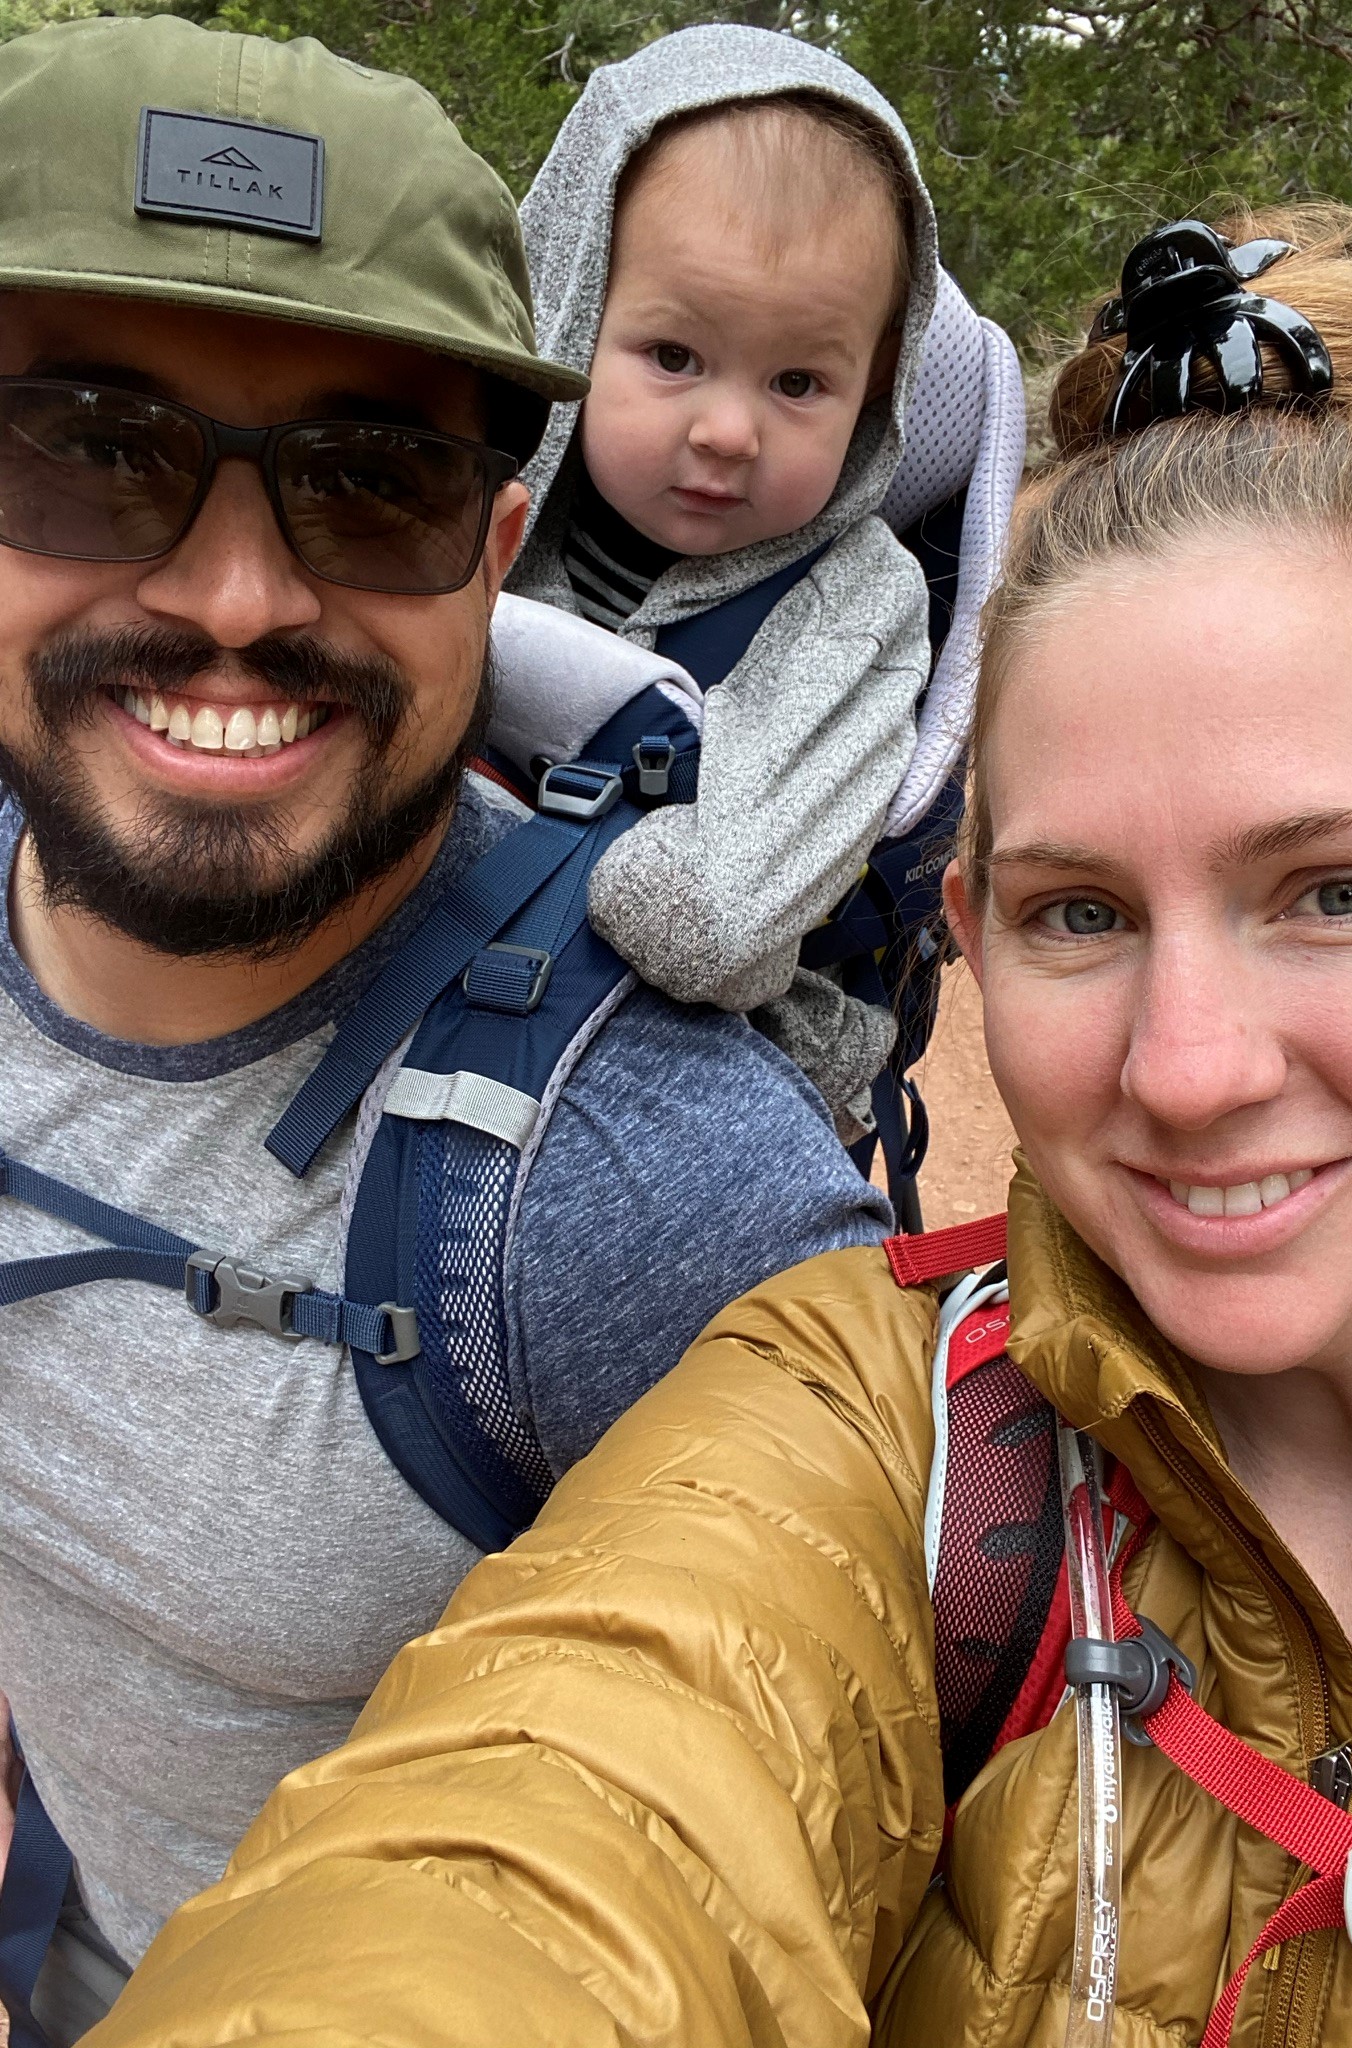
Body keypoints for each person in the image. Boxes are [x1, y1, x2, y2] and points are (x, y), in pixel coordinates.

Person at [84, 204, 1352, 2047]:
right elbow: (557, 1819)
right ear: (973, 927)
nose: (1186, 1066)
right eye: (1079, 913)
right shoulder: (863, 1423)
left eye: (1337, 891)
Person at [0, 16, 892, 2045]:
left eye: (374, 482)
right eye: (90, 450)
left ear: (496, 559)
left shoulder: (644, 1194)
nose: (234, 593)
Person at [509, 27, 940, 1138]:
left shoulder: (855, 601)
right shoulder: (477, 518)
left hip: (722, 1078)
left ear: (877, 383)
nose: (729, 430)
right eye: (673, 356)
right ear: (573, 309)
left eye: (799, 380)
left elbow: (717, 918)